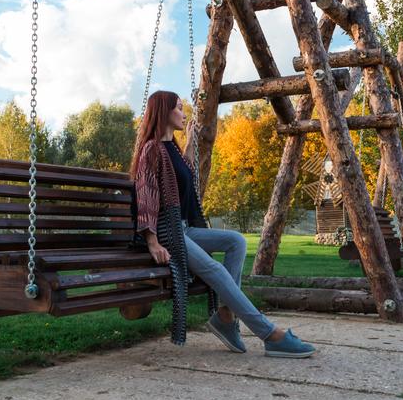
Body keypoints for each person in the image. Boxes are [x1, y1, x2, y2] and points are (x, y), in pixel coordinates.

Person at [130, 90, 316, 358]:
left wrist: (191, 142)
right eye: (179, 108)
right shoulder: (151, 149)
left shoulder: (172, 149)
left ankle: (226, 315)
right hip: (167, 232)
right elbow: (146, 194)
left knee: (236, 241)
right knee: (215, 269)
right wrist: (152, 241)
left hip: (184, 228)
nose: (184, 114)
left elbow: (181, 180)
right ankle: (269, 334)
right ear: (164, 111)